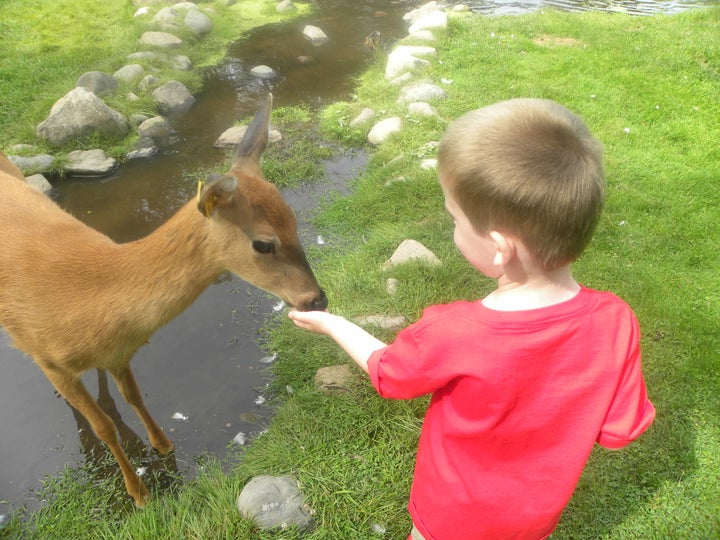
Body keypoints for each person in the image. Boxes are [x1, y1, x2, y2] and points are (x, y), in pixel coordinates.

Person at [289, 98, 655, 540]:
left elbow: (389, 374)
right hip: (534, 520)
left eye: (454, 217)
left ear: (499, 248)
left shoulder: (453, 331)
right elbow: (621, 430)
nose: (453, 228)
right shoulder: (616, 320)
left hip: (450, 517)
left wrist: (333, 324)